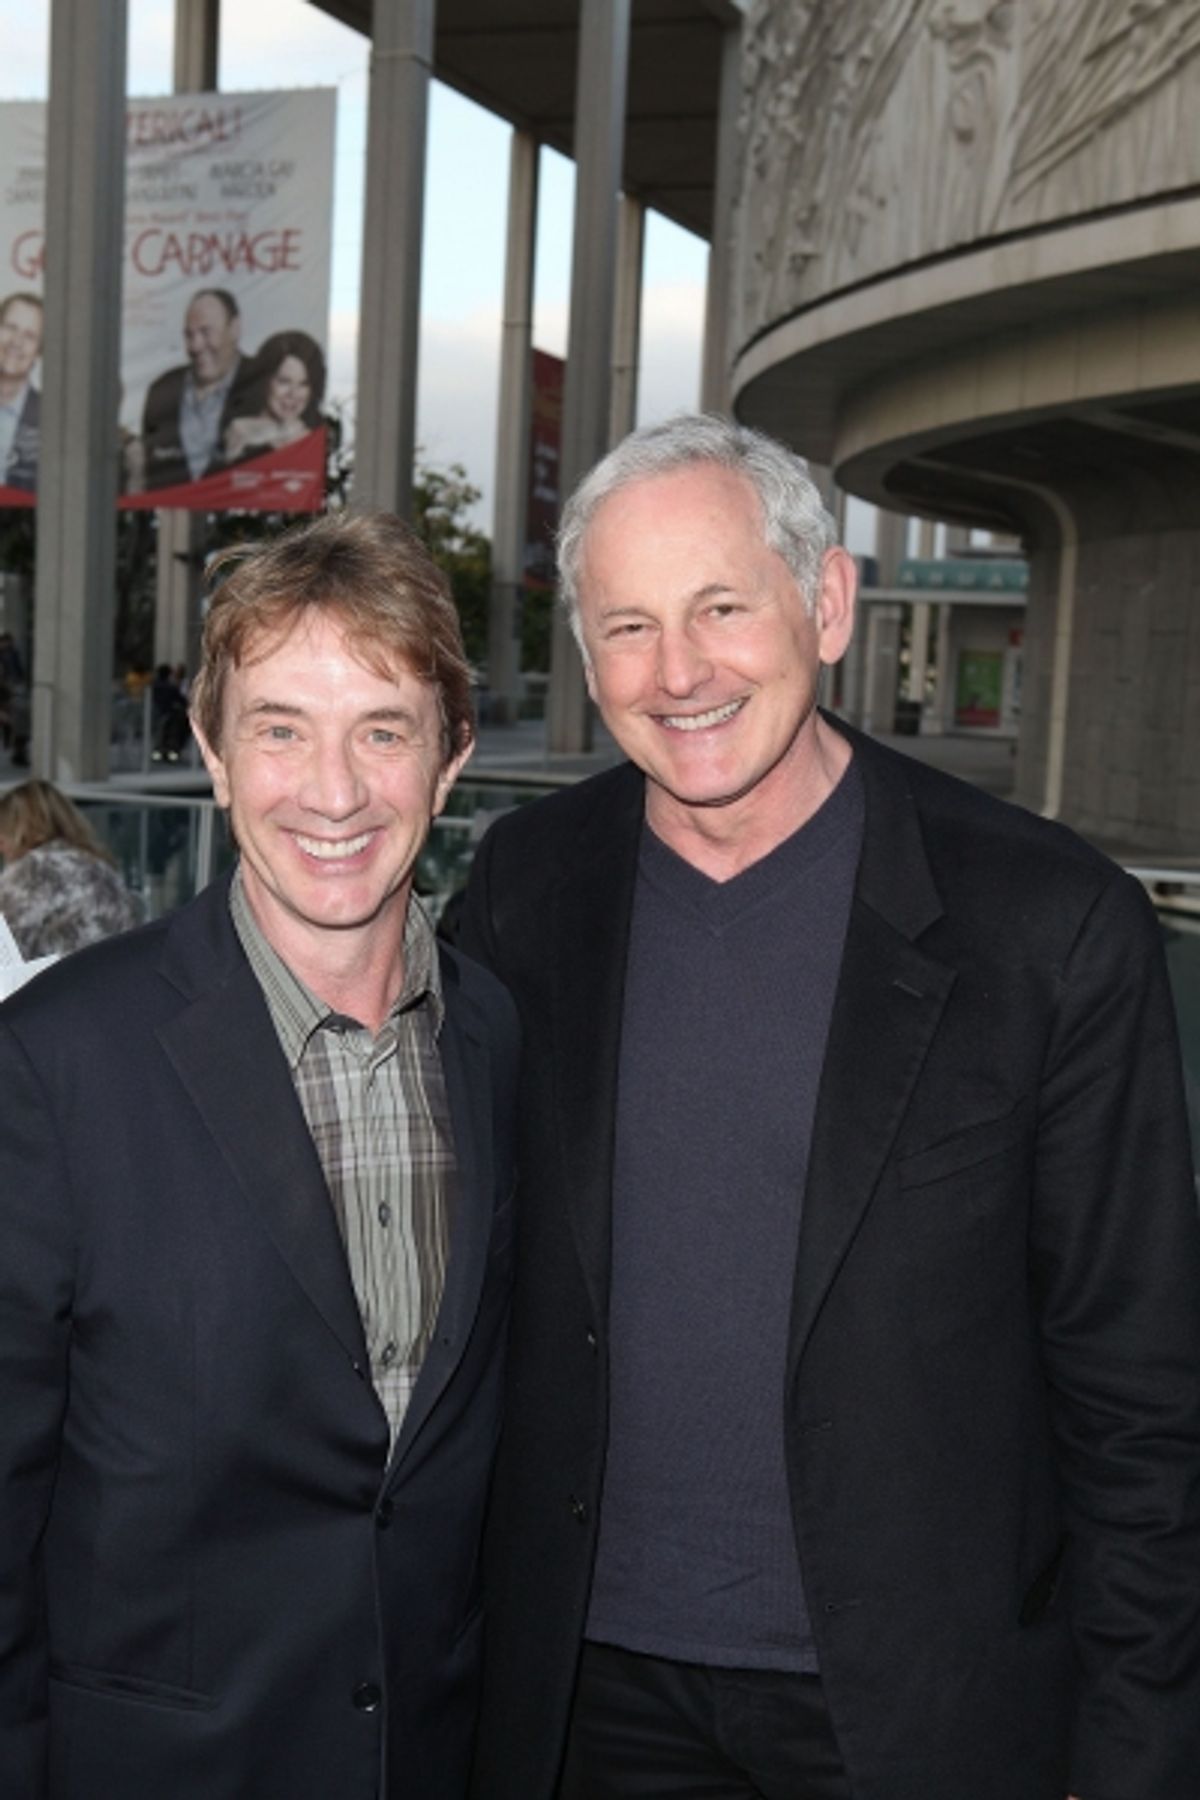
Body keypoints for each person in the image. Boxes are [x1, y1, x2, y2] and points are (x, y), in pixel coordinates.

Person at [460, 414, 1200, 1800]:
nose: (676, 673)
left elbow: (1140, 1402)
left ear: (830, 602)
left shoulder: (1051, 927)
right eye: (626, 626)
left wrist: (1140, 1755)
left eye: (721, 608)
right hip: (577, 1697)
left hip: (916, 1712)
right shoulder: (523, 892)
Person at [0, 510, 520, 1799]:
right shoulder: (57, 1060)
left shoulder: (501, 1039)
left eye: (382, 731)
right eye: (281, 727)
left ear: (451, 759)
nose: (332, 791)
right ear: (212, 754)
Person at [0, 779, 141, 957]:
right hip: (117, 973)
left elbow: (7, 946)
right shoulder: (100, 866)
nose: (1, 845)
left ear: (20, 830)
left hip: (66, 979)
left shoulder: (34, 869)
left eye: (3, 831)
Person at [140, 287, 251, 490]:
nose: (196, 346)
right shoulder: (161, 391)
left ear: (234, 329)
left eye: (206, 332)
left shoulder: (264, 383)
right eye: (189, 335)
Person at [223, 328, 326, 464]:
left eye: (303, 384)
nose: (293, 394)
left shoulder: (316, 435)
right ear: (264, 381)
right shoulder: (236, 429)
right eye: (284, 382)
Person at [0, 291, 43, 491]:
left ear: (39, 351)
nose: (16, 342)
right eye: (10, 328)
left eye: (29, 336)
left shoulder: (51, 422)